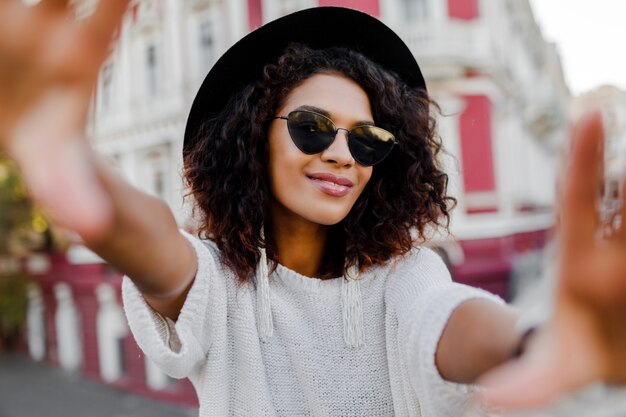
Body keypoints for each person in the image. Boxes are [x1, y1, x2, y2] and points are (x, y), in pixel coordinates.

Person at [1, 1, 626, 416]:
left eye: (366, 139)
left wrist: (535, 340)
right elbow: (150, 245)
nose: (341, 154)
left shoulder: (406, 278)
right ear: (253, 138)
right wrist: (68, 158)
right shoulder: (218, 282)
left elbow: (448, 321)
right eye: (311, 126)